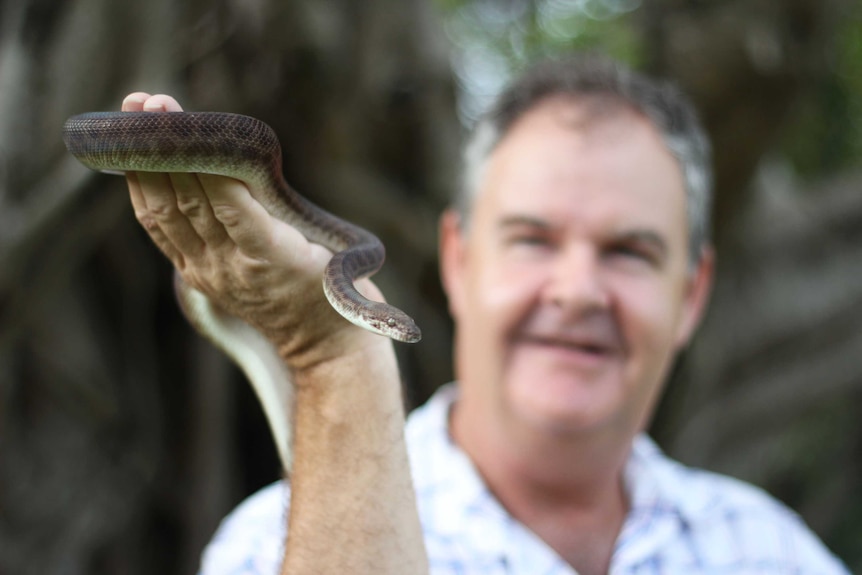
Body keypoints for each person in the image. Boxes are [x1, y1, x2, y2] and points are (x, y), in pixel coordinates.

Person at [120, 54, 849, 574]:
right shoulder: (271, 546)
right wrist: (336, 362)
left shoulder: (773, 552)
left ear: (691, 295)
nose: (576, 291)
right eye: (533, 239)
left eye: (628, 250)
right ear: (457, 261)